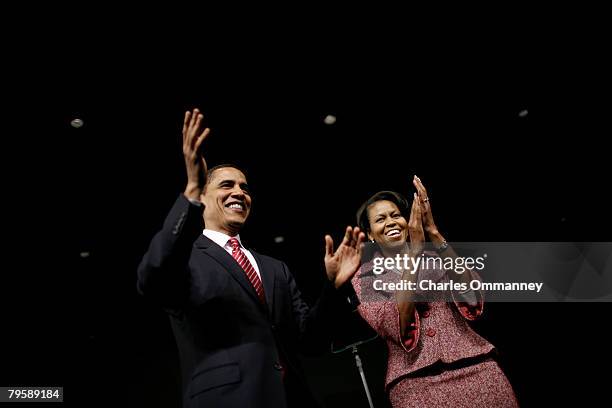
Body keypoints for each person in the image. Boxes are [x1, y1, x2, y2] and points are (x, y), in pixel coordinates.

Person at [137, 108, 364, 408]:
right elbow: (152, 277)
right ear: (202, 198)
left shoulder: (274, 268)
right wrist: (190, 189)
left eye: (244, 187)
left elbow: (310, 340)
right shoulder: (187, 257)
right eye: (227, 185)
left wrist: (333, 289)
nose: (239, 192)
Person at [324, 176, 519, 407]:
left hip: (478, 371)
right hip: (416, 386)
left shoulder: (438, 257)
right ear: (371, 234)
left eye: (396, 215)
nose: (391, 222)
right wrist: (413, 255)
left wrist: (433, 232)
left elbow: (473, 295)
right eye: (380, 219)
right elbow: (395, 324)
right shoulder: (364, 277)